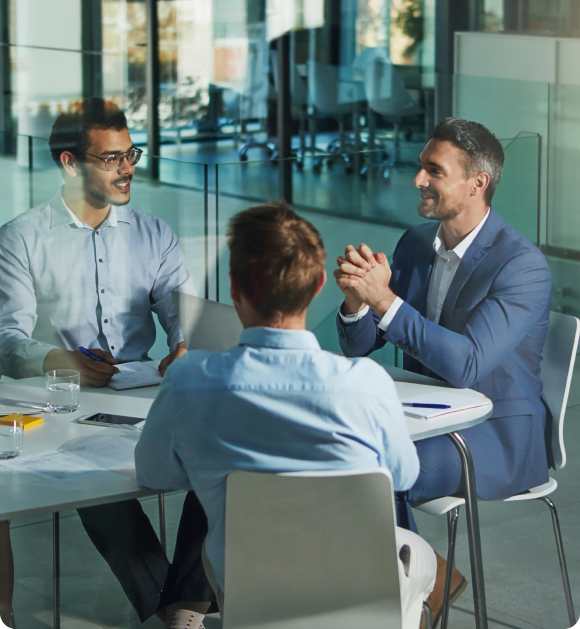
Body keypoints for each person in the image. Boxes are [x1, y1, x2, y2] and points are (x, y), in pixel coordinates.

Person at [136, 202, 437, 629]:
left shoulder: (187, 381)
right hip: (359, 595)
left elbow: (153, 472)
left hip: (250, 596)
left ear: (234, 287)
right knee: (414, 557)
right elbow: (403, 477)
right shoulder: (365, 384)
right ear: (318, 286)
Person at [0, 98, 214, 627]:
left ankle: (183, 605)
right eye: (111, 158)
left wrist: (186, 344)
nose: (128, 169)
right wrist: (58, 358)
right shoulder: (21, 238)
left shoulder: (154, 233)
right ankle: (174, 611)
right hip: (64, 402)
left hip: (146, 392)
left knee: (224, 457)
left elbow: (184, 313)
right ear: (70, 163)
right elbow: (6, 338)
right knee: (89, 479)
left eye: (131, 154)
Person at [334, 117, 552, 625]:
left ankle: (389, 606)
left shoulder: (522, 265)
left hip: (494, 435)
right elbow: (361, 347)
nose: (418, 179)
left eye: (434, 170)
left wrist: (385, 300)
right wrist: (356, 305)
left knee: (375, 473)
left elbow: (467, 364)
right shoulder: (416, 244)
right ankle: (429, 577)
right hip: (423, 420)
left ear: (477, 183)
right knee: (335, 455)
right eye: (420, 167)